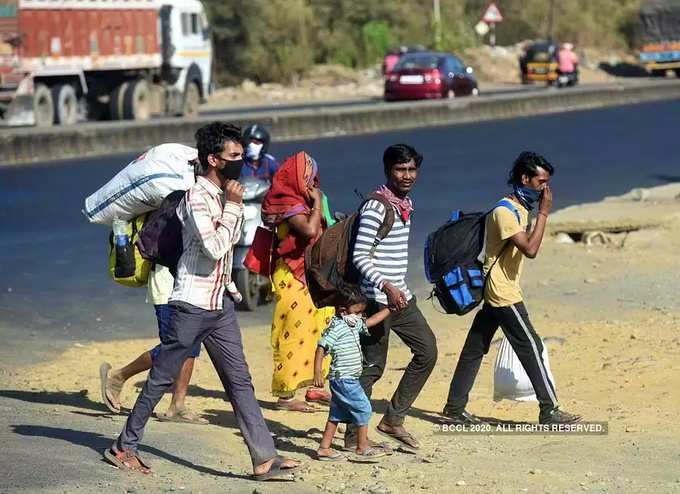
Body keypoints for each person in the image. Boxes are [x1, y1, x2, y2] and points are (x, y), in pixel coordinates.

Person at [103, 122, 300, 481]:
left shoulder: (224, 195)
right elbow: (213, 247)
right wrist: (235, 207)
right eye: (234, 157)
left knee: (239, 381)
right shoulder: (197, 198)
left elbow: (223, 260)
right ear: (213, 159)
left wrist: (231, 286)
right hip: (191, 304)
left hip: (219, 305)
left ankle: (264, 459)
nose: (241, 162)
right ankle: (123, 446)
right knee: (161, 378)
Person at [442, 151, 581, 426]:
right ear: (524, 178)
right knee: (532, 346)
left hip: (500, 289)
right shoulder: (505, 212)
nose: (545, 188)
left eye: (546, 182)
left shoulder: (519, 209)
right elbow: (530, 249)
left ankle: (454, 407)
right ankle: (549, 409)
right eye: (540, 182)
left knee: (474, 348)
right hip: (502, 293)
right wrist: (543, 213)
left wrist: (536, 212)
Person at [346, 144, 438, 452]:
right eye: (401, 169)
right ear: (388, 171)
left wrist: (397, 289)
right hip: (376, 298)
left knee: (427, 351)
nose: (407, 175)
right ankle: (352, 437)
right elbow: (360, 256)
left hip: (400, 297)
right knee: (372, 368)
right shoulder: (376, 206)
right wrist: (385, 286)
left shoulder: (404, 203)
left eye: (412, 169)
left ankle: (393, 419)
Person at [261, 151, 335, 413]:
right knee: (293, 332)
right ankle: (285, 396)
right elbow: (310, 230)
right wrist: (316, 202)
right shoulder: (287, 202)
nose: (312, 181)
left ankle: (314, 385)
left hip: (312, 273)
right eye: (308, 176)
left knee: (320, 326)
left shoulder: (302, 198)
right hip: (292, 276)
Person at [99, 264, 207, 424]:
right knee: (174, 348)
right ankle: (119, 376)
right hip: (168, 286)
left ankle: (177, 406)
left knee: (191, 344)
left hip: (191, 288)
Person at [314, 291, 391, 462]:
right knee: (364, 408)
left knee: (336, 413)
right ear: (342, 311)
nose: (360, 316)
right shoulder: (336, 327)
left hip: (347, 379)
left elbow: (370, 322)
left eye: (361, 313)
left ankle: (324, 448)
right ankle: (362, 447)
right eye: (356, 312)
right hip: (344, 379)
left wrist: (390, 309)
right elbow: (321, 348)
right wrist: (317, 372)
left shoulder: (353, 324)